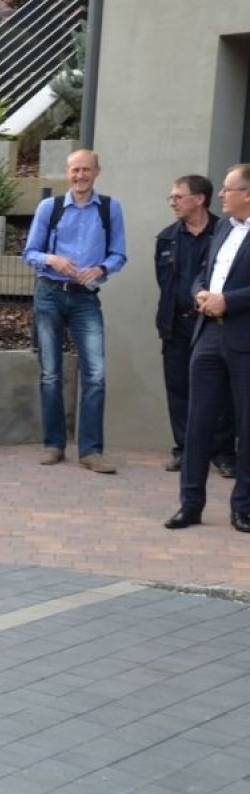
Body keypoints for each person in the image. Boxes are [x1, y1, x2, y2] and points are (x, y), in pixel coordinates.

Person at [22, 148, 128, 473]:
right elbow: (30, 252)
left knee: (95, 375)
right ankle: (54, 445)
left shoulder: (111, 208)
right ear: (67, 173)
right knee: (51, 374)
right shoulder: (48, 208)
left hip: (86, 299)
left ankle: (91, 451)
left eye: (86, 170)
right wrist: (52, 259)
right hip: (49, 294)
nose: (80, 176)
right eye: (74, 170)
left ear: (97, 171)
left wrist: (100, 269)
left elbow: (119, 254)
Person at [164, 164, 250, 532]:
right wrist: (201, 292)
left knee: (245, 427)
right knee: (198, 423)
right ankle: (191, 503)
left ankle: (242, 506)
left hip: (243, 339)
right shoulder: (223, 230)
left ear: (247, 194)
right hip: (207, 335)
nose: (221, 195)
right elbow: (204, 271)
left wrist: (228, 301)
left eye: (228, 190)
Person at [155, 175, 234, 475]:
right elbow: (165, 283)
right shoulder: (167, 237)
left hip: (214, 324)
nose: (173, 202)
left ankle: (223, 454)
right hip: (176, 325)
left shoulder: (224, 232)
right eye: (171, 197)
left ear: (199, 199)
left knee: (221, 391)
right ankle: (185, 450)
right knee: (179, 389)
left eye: (179, 196)